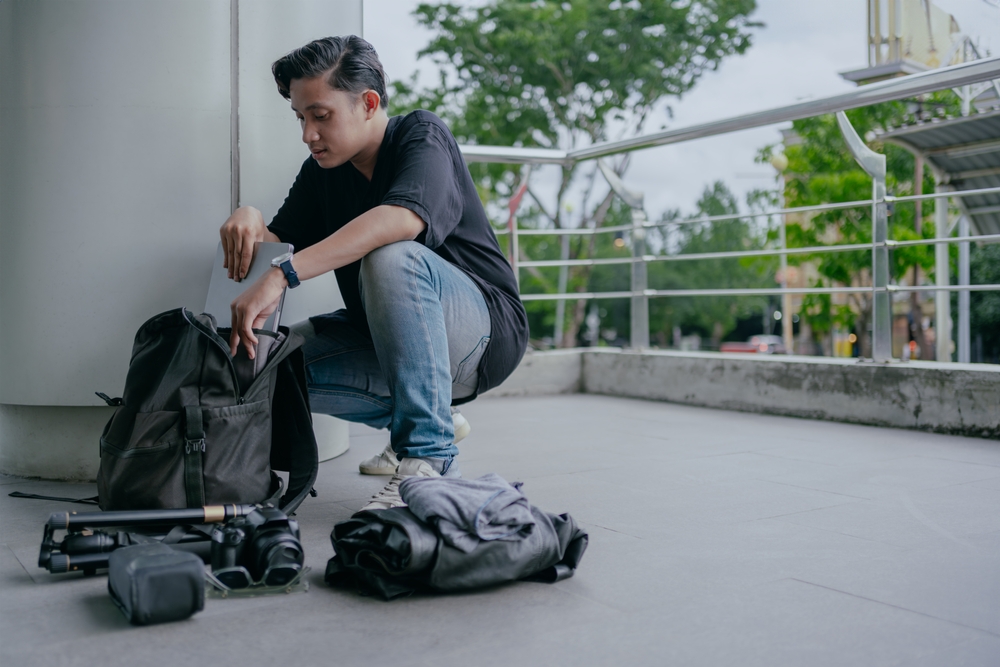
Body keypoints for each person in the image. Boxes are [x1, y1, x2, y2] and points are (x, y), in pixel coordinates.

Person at [219, 36, 528, 511]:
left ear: (367, 103)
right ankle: (430, 416)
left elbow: (401, 220)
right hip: (383, 342)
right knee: (269, 367)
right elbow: (277, 243)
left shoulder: (421, 135)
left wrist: (282, 276)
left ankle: (429, 461)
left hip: (481, 337)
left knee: (390, 255)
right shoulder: (322, 171)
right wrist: (249, 215)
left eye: (321, 116)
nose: (308, 134)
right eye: (300, 118)